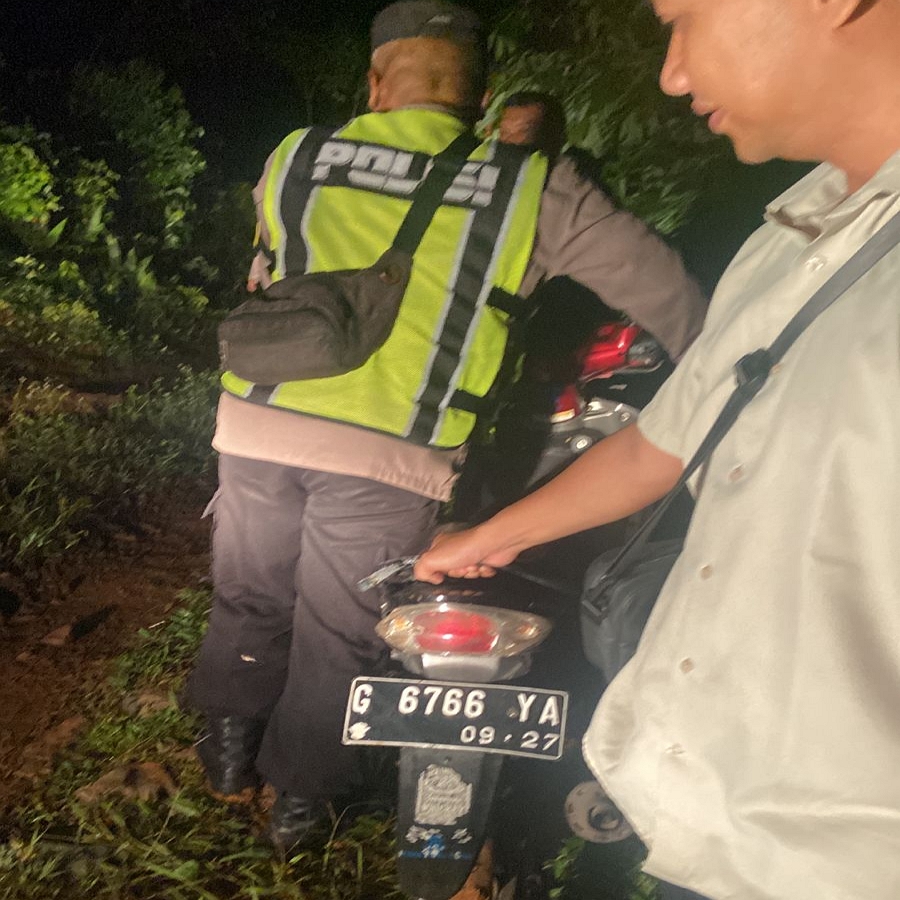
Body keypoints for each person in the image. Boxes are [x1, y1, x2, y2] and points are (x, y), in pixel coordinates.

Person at [186, 0, 706, 850]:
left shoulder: (295, 154)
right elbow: (674, 298)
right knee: (339, 632)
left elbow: (268, 267)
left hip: (256, 420)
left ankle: (227, 754)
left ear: (374, 83)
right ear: (483, 96)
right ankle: (299, 804)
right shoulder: (532, 187)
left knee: (249, 592)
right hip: (390, 453)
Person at [415, 1, 900, 898]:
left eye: (685, 18)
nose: (672, 73)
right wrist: (491, 536)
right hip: (707, 820)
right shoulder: (784, 245)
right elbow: (663, 441)